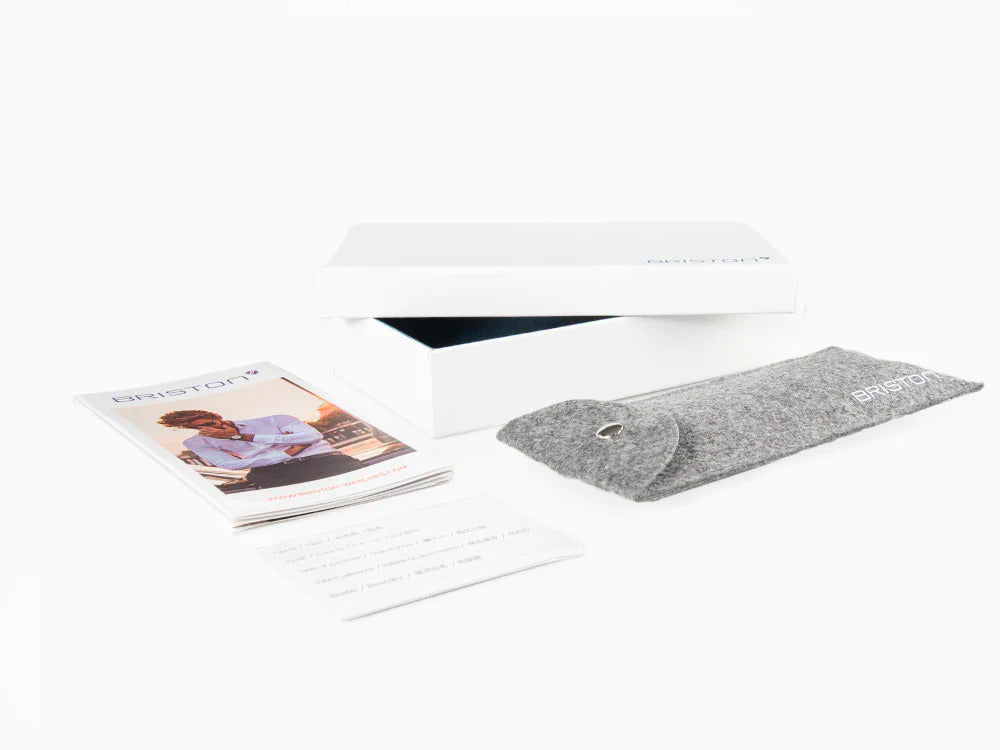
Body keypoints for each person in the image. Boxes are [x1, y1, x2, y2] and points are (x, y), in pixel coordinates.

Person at [158, 410, 361, 489]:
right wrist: (288, 451)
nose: (209, 429)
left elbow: (313, 437)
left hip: (324, 461)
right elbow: (229, 464)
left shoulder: (276, 419)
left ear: (217, 416)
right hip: (272, 473)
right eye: (196, 427)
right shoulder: (196, 442)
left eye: (209, 423)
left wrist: (241, 437)